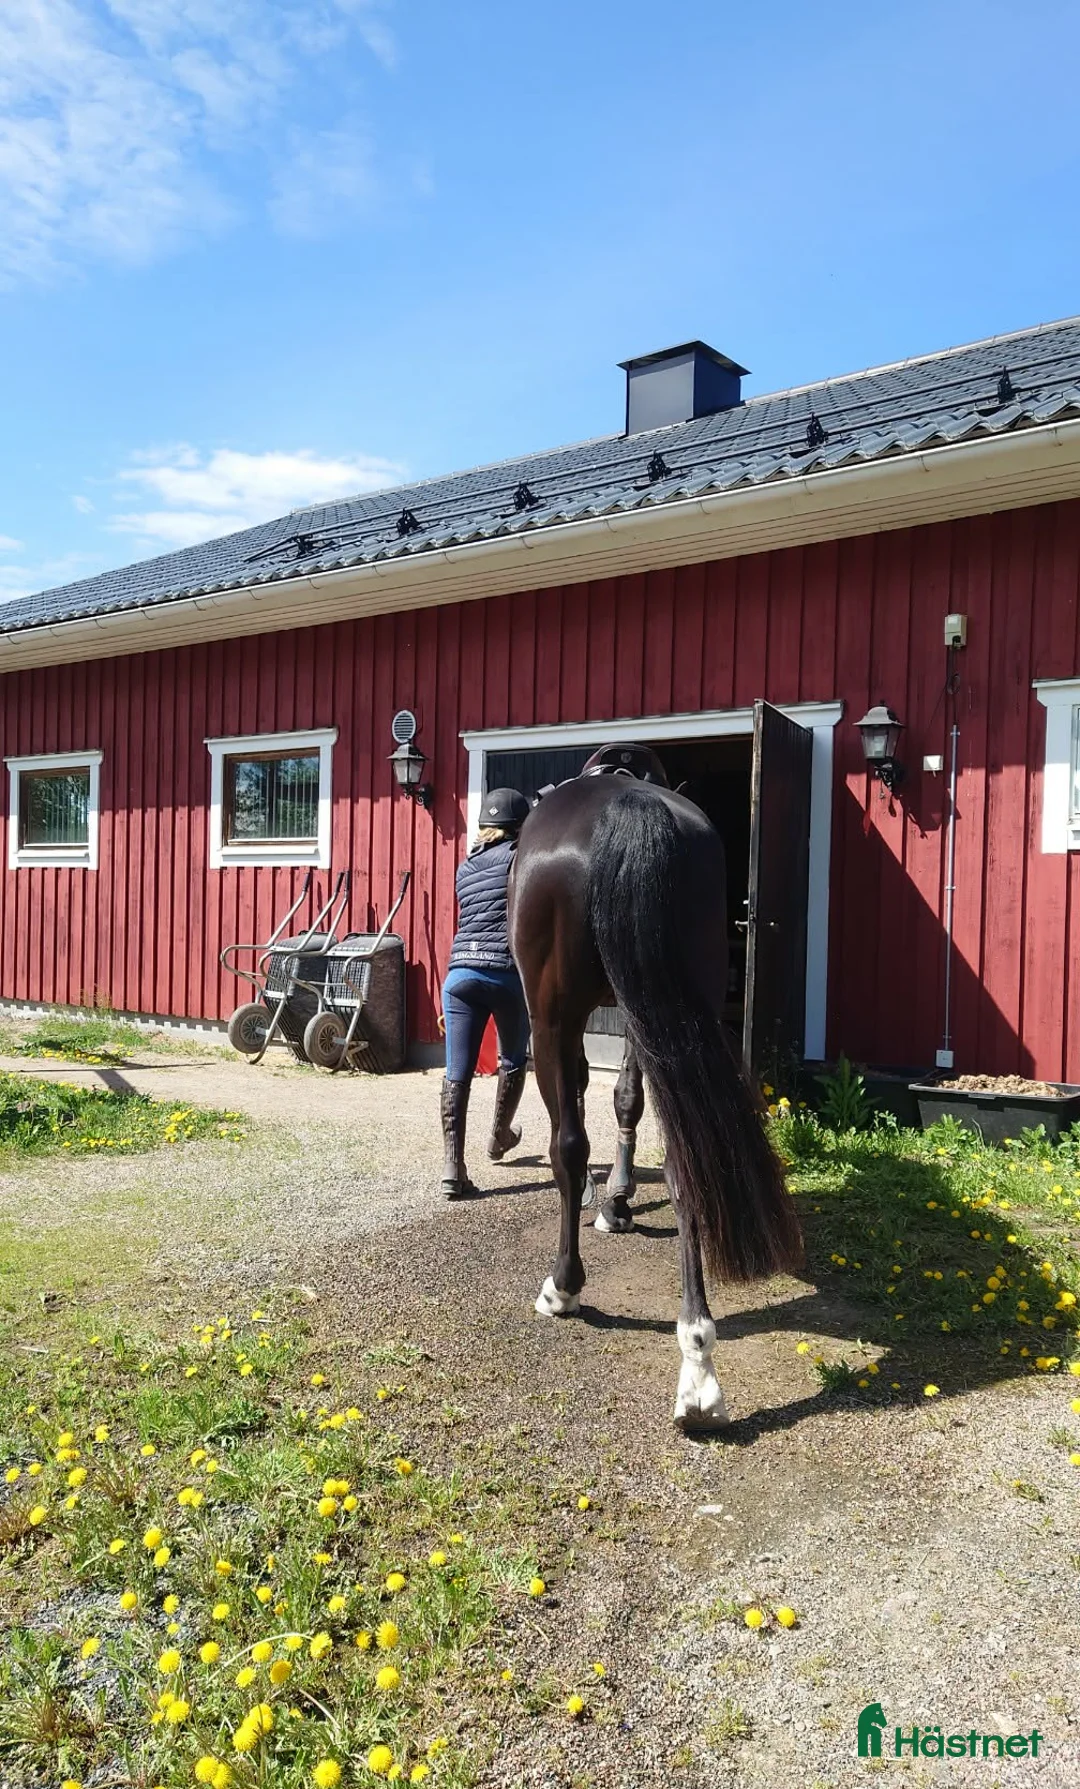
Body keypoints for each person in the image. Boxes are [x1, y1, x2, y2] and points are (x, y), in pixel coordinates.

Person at [439, 786, 532, 1198]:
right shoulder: (519, 860)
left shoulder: (466, 866)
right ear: (518, 827)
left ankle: (452, 1167)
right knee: (512, 1058)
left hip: (459, 976)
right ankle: (498, 1138)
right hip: (505, 975)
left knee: (456, 1073)